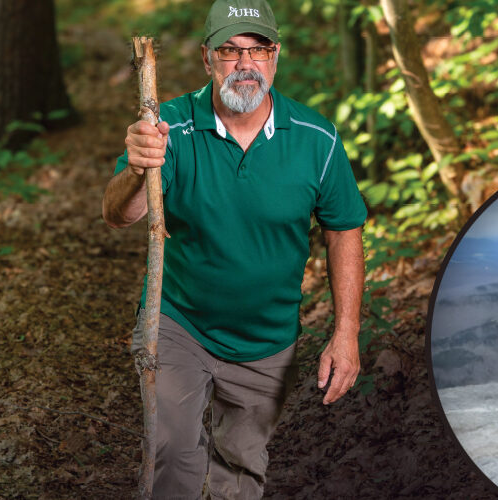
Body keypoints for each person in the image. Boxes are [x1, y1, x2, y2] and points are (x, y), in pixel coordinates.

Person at [100, 0, 367, 497]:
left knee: (241, 472)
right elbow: (119, 215)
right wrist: (139, 170)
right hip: (181, 325)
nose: (246, 64)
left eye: (259, 49)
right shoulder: (170, 127)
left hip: (269, 341)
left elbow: (344, 230)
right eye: (230, 50)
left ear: (276, 56)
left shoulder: (317, 138)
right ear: (207, 59)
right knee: (173, 457)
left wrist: (346, 333)